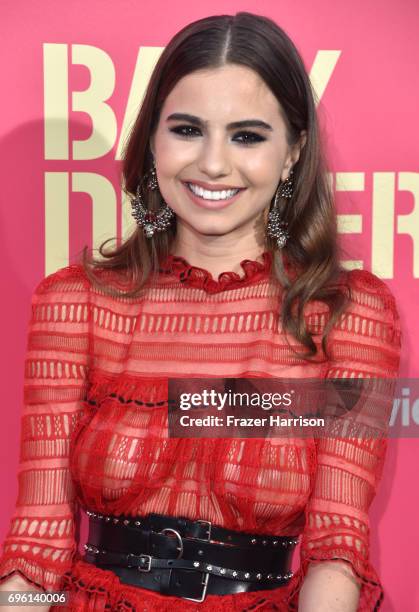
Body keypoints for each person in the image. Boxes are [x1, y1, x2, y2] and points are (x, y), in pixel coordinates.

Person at [0, 11, 401, 612]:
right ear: (152, 140)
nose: (213, 164)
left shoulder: (348, 313)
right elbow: (36, 551)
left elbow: (336, 551)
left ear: (293, 152)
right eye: (187, 129)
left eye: (247, 136)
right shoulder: (74, 303)